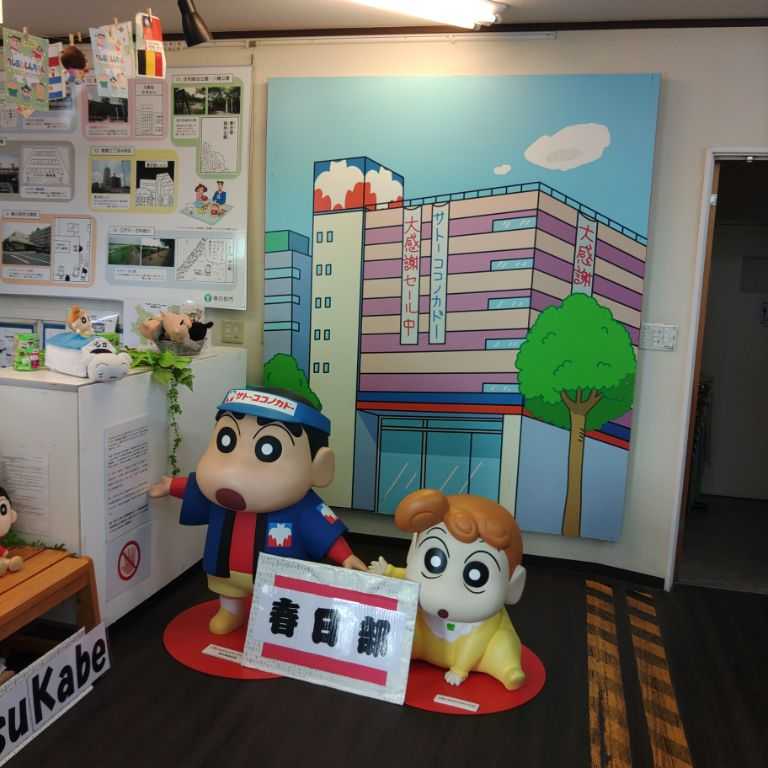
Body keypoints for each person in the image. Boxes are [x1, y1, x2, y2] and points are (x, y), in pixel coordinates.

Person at [150, 387, 367, 635]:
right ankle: (231, 610)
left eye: (269, 448)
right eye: (226, 440)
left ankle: (275, 618)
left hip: (279, 575)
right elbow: (195, 488)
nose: (234, 470)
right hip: (225, 567)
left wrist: (345, 556)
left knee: (281, 601)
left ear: (319, 468)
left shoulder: (302, 507)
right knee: (227, 589)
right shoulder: (215, 496)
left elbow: (323, 531)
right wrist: (171, 485)